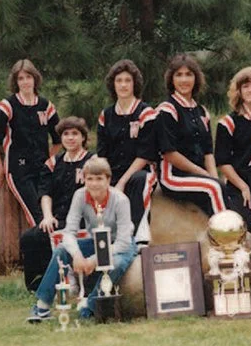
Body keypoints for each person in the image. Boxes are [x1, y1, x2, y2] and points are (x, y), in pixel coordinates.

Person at [26, 157, 135, 322]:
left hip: (119, 246)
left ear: (108, 180)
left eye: (99, 179)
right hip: (96, 241)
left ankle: (90, 306)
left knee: (117, 263)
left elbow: (124, 242)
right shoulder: (80, 196)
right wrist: (76, 255)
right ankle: (42, 306)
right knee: (62, 250)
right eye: (90, 179)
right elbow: (69, 232)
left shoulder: (120, 200)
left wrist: (94, 259)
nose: (94, 184)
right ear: (84, 180)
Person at [20, 116, 93, 291]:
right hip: (59, 217)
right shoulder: (53, 163)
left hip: (84, 219)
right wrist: (47, 216)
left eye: (75, 133)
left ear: (83, 137)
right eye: (66, 134)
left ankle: (72, 281)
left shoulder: (92, 161)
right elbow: (45, 193)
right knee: (31, 237)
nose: (70, 138)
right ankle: (40, 283)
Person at [0, 59, 61, 227]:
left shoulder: (45, 106)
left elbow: (58, 139)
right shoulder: (7, 106)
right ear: (15, 81)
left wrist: (49, 159)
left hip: (42, 168)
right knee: (37, 215)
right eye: (20, 78)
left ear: (35, 78)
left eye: (28, 77)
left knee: (52, 211)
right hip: (19, 169)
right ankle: (46, 243)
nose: (25, 82)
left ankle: (53, 243)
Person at [156, 53, 230, 217]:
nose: (184, 80)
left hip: (198, 175)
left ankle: (225, 228)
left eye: (189, 74)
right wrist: (205, 176)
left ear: (196, 78)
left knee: (221, 187)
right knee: (213, 188)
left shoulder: (202, 111)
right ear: (171, 79)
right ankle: (224, 232)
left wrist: (213, 176)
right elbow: (170, 154)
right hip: (173, 177)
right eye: (179, 75)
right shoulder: (167, 110)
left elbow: (208, 152)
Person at [96, 59, 158, 245]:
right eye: (119, 81)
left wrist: (122, 182)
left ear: (134, 84)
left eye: (127, 80)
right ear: (113, 84)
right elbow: (102, 154)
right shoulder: (106, 115)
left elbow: (145, 154)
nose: (123, 85)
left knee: (140, 180)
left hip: (140, 171)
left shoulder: (145, 112)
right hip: (112, 172)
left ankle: (136, 237)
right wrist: (105, 181)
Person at [215, 66, 251, 226]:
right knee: (243, 226)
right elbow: (223, 162)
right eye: (245, 86)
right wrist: (243, 187)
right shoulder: (228, 123)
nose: (250, 90)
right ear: (239, 91)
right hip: (240, 186)